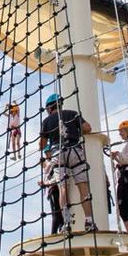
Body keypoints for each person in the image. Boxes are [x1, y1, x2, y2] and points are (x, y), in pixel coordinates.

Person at [39, 93, 95, 232]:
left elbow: (42, 145)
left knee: (63, 188)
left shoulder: (46, 121)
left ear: (49, 108)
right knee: (83, 186)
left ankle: (67, 222)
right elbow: (88, 128)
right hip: (75, 150)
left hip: (58, 154)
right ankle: (89, 221)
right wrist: (75, 131)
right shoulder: (73, 114)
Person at [38, 147, 64, 235]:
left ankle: (54, 232)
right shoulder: (50, 164)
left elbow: (55, 177)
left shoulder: (53, 163)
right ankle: (59, 229)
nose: (46, 155)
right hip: (52, 188)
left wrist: (46, 183)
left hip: (55, 188)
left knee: (56, 212)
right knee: (56, 212)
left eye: (47, 152)